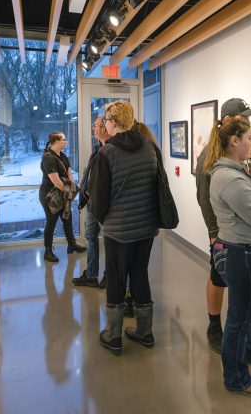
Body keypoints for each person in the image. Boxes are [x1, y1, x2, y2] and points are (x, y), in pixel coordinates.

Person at [196, 98, 251, 355]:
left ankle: (244, 326)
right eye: (244, 117)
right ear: (229, 122)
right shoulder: (209, 156)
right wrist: (213, 233)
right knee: (219, 276)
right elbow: (204, 196)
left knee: (245, 287)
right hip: (225, 233)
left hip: (247, 229)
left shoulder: (248, 150)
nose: (249, 121)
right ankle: (214, 325)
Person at [205, 117, 251, 398]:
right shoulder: (230, 178)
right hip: (242, 253)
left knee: (247, 314)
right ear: (234, 141)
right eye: (248, 137)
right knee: (239, 318)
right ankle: (236, 378)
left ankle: (249, 352)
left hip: (243, 250)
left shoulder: (233, 173)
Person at [88, 101, 160, 355]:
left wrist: (106, 219)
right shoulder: (149, 148)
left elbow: (97, 201)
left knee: (117, 279)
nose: (104, 124)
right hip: (146, 227)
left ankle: (113, 335)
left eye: (106, 120)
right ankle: (145, 332)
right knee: (140, 275)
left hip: (118, 230)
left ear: (114, 122)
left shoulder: (107, 153)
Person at [72, 117, 110, 288]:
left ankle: (110, 275)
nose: (93, 128)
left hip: (105, 204)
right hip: (91, 202)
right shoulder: (97, 149)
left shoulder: (111, 150)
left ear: (104, 128)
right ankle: (91, 274)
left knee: (110, 241)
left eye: (95, 125)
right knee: (90, 237)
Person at [39, 131, 86, 263]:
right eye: (63, 140)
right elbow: (56, 181)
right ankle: (48, 251)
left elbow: (70, 174)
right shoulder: (48, 157)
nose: (66, 142)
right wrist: (71, 191)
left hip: (63, 193)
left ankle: (72, 245)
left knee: (67, 218)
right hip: (50, 195)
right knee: (51, 221)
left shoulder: (63, 156)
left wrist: (70, 186)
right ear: (55, 142)